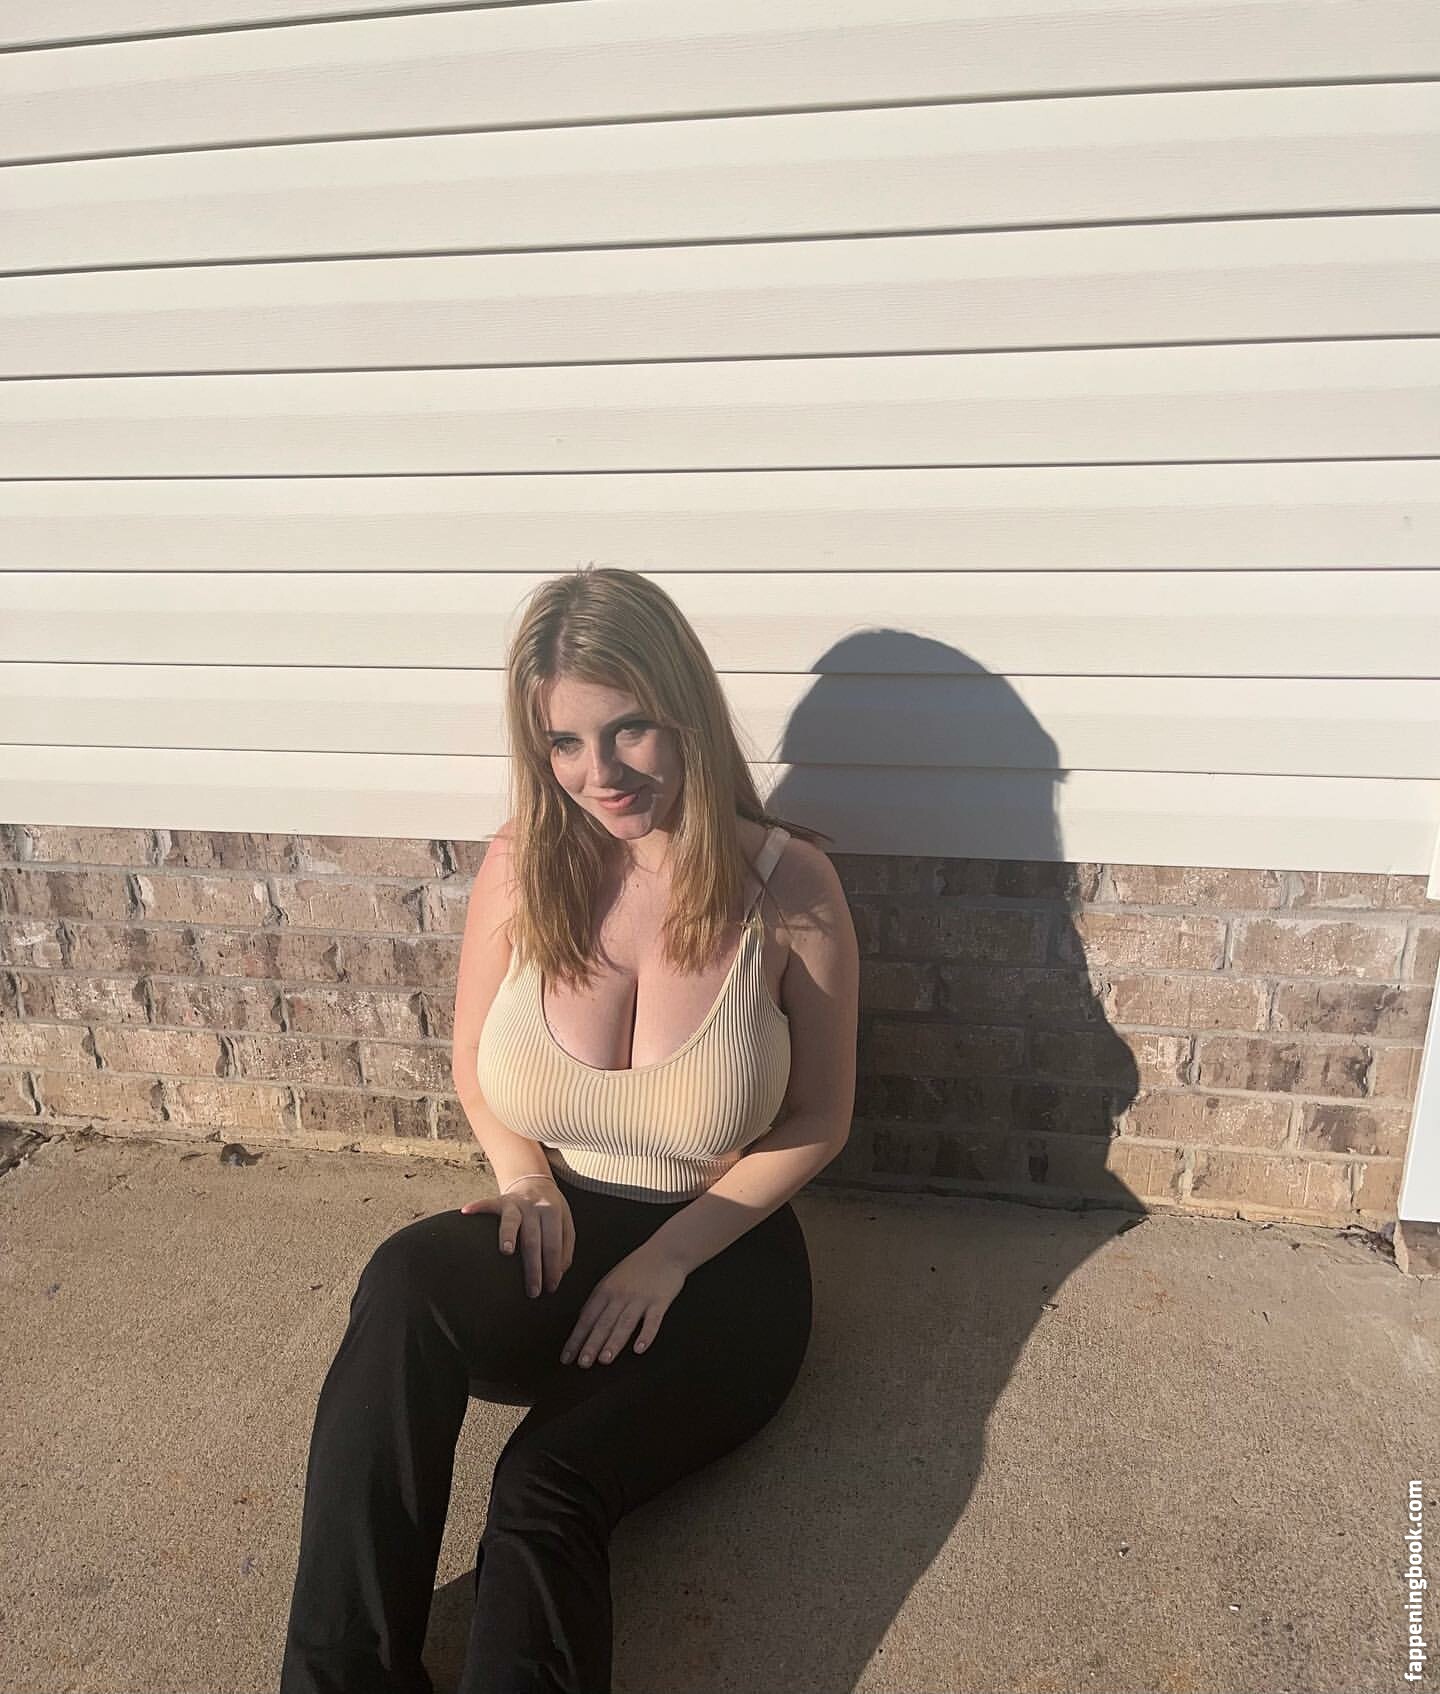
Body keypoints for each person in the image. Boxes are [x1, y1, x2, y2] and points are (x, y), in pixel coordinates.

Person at [279, 565, 860, 1694]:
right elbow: (474, 1062)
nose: (601, 772)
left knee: (543, 1484)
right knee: (403, 1283)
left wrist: (666, 1257)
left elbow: (819, 1119)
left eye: (629, 727)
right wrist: (524, 1175)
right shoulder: (524, 863)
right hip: (557, 1225)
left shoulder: (791, 888)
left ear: (685, 710)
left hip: (723, 1263)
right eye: (565, 741)